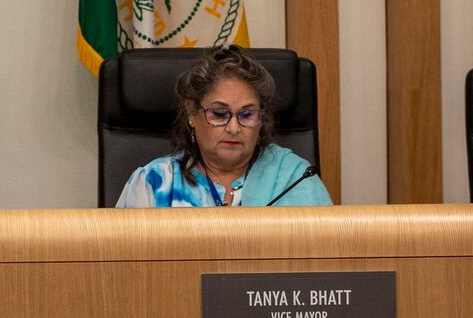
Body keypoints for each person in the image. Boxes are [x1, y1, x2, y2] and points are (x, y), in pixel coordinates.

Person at [116, 46, 331, 208]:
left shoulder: (294, 179)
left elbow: (326, 260)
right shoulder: (153, 184)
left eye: (247, 114)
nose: (234, 128)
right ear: (192, 113)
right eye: (219, 114)